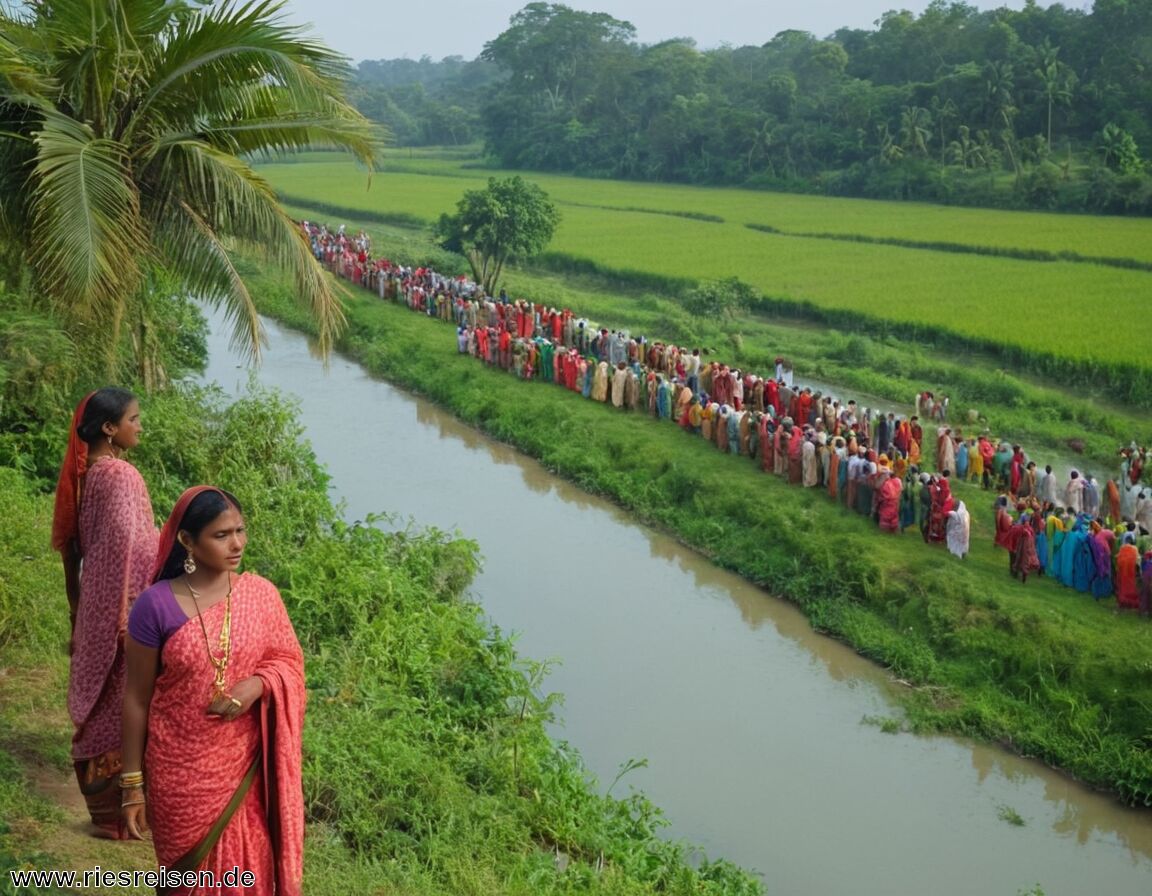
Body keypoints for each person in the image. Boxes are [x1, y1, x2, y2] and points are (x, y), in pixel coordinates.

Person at [122, 487, 305, 893]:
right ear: (187, 540)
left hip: (244, 772)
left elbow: (288, 664)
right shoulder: (154, 607)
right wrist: (131, 786)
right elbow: (135, 699)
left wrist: (257, 685)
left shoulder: (261, 595)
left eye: (240, 530)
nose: (237, 543)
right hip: (177, 776)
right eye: (221, 535)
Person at [52, 388, 158, 838]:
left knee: (106, 708)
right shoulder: (120, 475)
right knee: (122, 705)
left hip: (100, 601)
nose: (140, 426)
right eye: (133, 419)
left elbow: (97, 548)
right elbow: (124, 548)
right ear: (109, 428)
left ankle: (108, 812)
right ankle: (121, 817)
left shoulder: (91, 473)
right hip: (122, 606)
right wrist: (130, 616)